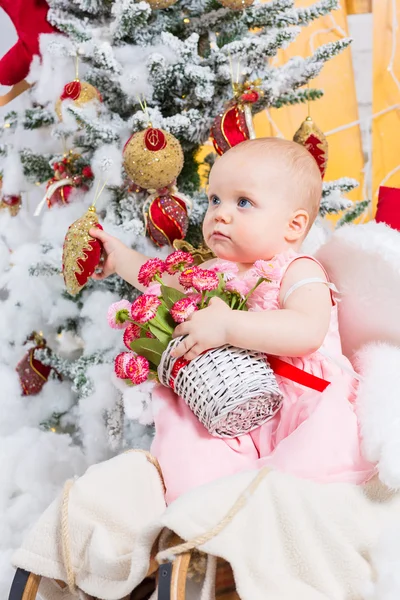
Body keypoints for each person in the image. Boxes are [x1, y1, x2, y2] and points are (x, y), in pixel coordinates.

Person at [90, 138, 375, 504]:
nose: (220, 214)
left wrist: (228, 326)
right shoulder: (212, 271)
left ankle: (284, 515)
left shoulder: (297, 270)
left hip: (299, 404)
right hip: (226, 405)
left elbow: (307, 331)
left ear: (293, 225)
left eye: (243, 202)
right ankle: (202, 514)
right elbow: (163, 282)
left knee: (314, 459)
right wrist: (119, 259)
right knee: (189, 452)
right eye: (214, 200)